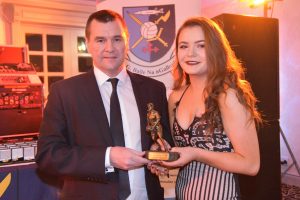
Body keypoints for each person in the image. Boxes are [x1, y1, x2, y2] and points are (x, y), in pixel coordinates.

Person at [36, 9, 173, 200]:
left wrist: (159, 152)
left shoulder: (154, 89)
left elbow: (163, 137)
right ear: (87, 44)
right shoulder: (64, 92)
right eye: (101, 40)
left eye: (117, 39)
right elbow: (48, 155)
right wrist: (108, 157)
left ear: (128, 42)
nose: (110, 48)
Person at [159, 17, 262, 200]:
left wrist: (195, 153)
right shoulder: (176, 97)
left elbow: (251, 164)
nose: (191, 54)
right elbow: (181, 152)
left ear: (215, 50)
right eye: (183, 46)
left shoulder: (227, 96)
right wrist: (165, 160)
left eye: (201, 45)